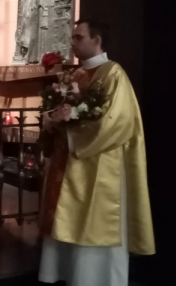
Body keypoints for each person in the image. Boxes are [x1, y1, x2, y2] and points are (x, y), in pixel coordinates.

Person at [39, 20, 155, 286]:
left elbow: (117, 121)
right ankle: (69, 275)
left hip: (100, 165)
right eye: (73, 37)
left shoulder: (114, 74)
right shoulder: (76, 75)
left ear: (97, 40)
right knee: (67, 219)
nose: (73, 42)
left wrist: (72, 130)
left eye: (78, 37)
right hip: (70, 162)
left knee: (95, 224)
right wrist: (54, 118)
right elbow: (63, 109)